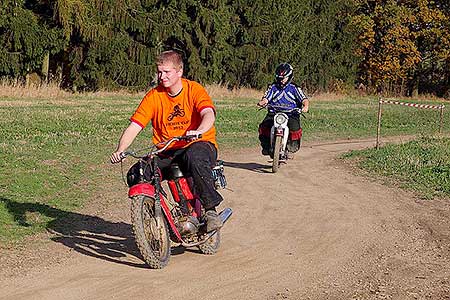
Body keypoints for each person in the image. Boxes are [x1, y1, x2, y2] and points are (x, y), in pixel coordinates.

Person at [110, 50, 223, 232]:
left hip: (196, 144)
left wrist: (199, 131)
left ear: (179, 71)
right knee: (137, 173)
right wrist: (121, 149)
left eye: (167, 72)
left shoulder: (194, 89)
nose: (162, 76)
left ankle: (210, 211)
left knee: (195, 157)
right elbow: (134, 126)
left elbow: (208, 113)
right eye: (159, 72)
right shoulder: (154, 96)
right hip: (167, 150)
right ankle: (159, 217)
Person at [257, 63, 309, 156]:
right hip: (274, 112)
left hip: (291, 113)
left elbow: (304, 99)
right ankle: (266, 146)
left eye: (283, 78)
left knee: (295, 128)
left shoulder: (294, 88)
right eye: (279, 78)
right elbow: (266, 98)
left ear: (289, 77)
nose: (281, 81)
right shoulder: (273, 87)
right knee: (264, 126)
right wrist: (262, 102)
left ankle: (291, 145)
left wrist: (305, 107)